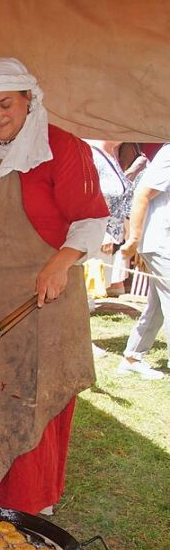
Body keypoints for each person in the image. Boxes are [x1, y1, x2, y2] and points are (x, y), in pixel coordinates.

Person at [0, 57, 108, 516]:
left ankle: (30, 501)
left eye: (5, 104)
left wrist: (61, 263)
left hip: (40, 302)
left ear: (30, 99)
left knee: (29, 397)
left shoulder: (63, 150)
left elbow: (91, 222)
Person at [117, 144, 170, 380]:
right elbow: (142, 194)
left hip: (162, 239)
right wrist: (134, 239)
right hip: (160, 240)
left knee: (158, 305)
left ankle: (132, 357)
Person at [86, 139, 147, 297]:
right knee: (90, 287)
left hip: (114, 232)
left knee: (101, 288)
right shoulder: (92, 153)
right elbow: (89, 196)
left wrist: (126, 225)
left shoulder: (111, 154)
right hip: (97, 231)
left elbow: (121, 193)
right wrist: (104, 233)